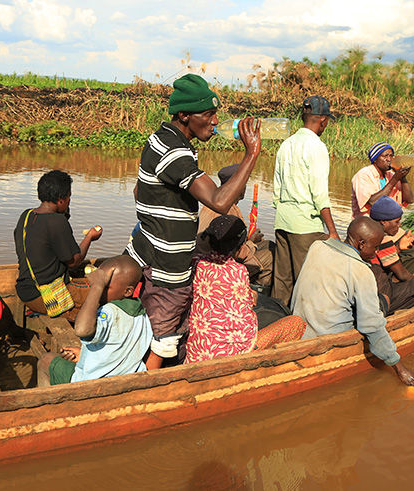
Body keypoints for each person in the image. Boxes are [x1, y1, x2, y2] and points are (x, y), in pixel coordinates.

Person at [125, 73, 261, 369]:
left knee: (158, 331)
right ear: (185, 115)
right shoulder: (174, 152)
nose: (215, 122)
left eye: (216, 114)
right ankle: (146, 391)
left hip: (147, 250)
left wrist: (159, 218)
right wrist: (251, 154)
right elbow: (220, 201)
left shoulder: (162, 139)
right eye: (209, 114)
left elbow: (139, 190)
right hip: (167, 268)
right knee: (163, 339)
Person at [291, 217, 414, 386]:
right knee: (399, 292)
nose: (376, 253)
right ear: (361, 244)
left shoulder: (317, 246)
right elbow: (372, 326)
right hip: (329, 335)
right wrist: (401, 369)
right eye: (375, 247)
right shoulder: (360, 270)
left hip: (299, 329)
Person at [185, 216, 305, 363]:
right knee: (296, 323)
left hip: (197, 350)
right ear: (240, 247)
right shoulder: (238, 271)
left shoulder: (196, 262)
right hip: (230, 355)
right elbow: (247, 312)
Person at [37, 256, 152, 386]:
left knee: (45, 360)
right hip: (124, 379)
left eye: (105, 285)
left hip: (93, 383)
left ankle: (47, 405)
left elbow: (81, 330)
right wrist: (84, 353)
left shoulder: (109, 311)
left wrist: (97, 287)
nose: (99, 288)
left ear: (127, 291)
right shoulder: (141, 315)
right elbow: (116, 349)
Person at [271, 95, 339, 305]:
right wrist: (332, 230)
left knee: (282, 280)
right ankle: (305, 329)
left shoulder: (286, 144)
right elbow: (319, 194)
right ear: (323, 120)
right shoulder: (316, 147)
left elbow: (277, 188)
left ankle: (276, 322)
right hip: (305, 226)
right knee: (307, 281)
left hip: (282, 221)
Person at [13, 170, 103, 320]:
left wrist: (63, 217)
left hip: (26, 292)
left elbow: (47, 245)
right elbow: (74, 261)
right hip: (46, 296)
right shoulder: (56, 222)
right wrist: (89, 237)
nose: (69, 201)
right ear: (61, 199)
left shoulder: (26, 215)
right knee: (108, 287)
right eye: (69, 197)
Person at [195, 163, 273, 287]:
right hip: (218, 265)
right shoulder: (229, 210)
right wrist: (252, 242)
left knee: (269, 245)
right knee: (270, 257)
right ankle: (255, 294)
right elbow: (240, 254)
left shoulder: (212, 204)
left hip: (205, 259)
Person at [352, 142, 414, 272]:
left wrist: (403, 178)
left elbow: (409, 199)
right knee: (382, 254)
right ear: (375, 159)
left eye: (391, 156)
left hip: (389, 228)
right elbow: (373, 202)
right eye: (385, 156)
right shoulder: (363, 175)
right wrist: (395, 179)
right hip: (369, 229)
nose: (389, 159)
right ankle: (390, 275)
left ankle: (396, 277)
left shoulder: (390, 175)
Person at [368, 196, 414, 313]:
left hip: (369, 290)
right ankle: (389, 312)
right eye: (397, 221)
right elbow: (402, 275)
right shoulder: (383, 240)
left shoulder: (366, 234)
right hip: (378, 295)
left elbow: (380, 258)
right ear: (383, 222)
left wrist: (398, 248)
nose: (399, 225)